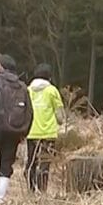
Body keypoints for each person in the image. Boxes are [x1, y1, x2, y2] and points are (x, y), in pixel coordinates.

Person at [0, 54, 33, 205]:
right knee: (6, 164)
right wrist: (24, 132)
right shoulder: (22, 86)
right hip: (14, 131)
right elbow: (29, 111)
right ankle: (0, 200)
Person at [25, 63, 63, 193]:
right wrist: (60, 122)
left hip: (31, 132)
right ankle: (42, 191)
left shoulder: (28, 90)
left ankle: (30, 189)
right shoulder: (52, 91)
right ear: (49, 77)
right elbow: (59, 114)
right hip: (48, 133)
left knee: (31, 162)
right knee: (45, 163)